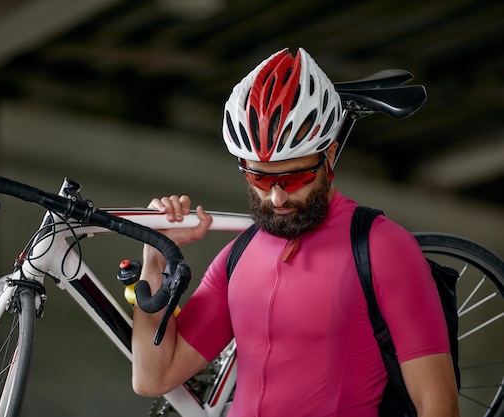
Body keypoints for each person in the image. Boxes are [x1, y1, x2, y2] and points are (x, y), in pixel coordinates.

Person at [131, 47, 459, 417]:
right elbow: (153, 376)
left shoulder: (381, 246)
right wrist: (156, 256)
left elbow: (438, 405)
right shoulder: (239, 256)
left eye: (295, 176)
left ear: (330, 157)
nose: (276, 196)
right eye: (260, 177)